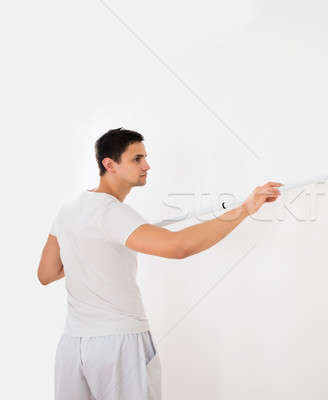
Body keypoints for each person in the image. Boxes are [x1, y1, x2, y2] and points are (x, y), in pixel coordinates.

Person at [37, 128, 282, 399]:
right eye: (137, 159)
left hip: (73, 347)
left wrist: (88, 252)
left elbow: (47, 273)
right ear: (109, 164)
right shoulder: (113, 213)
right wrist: (246, 208)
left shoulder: (69, 209)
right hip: (119, 344)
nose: (147, 165)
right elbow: (178, 247)